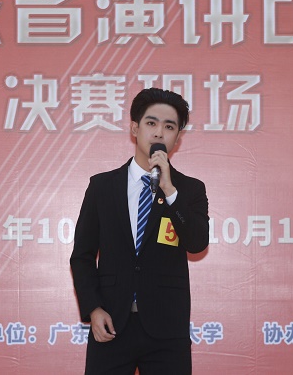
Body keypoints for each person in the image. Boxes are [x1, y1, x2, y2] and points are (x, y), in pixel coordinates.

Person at [70, 87, 209, 374]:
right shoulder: (102, 187)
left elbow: (197, 243)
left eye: (169, 127)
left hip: (167, 330)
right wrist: (94, 308)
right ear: (135, 128)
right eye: (151, 123)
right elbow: (82, 256)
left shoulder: (190, 190)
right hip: (111, 324)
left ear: (177, 137)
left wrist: (170, 190)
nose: (159, 133)